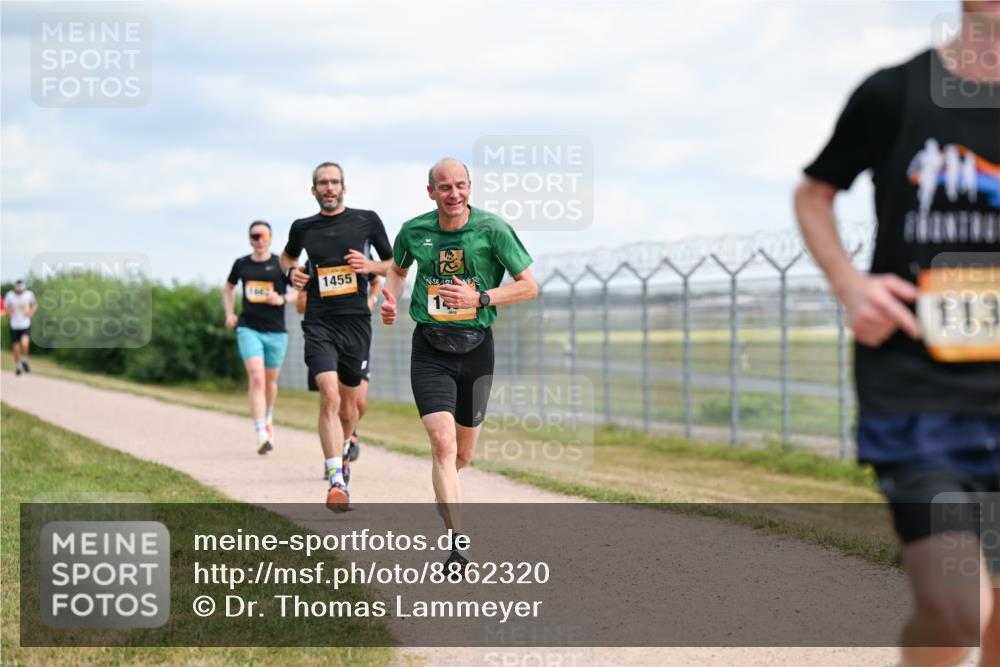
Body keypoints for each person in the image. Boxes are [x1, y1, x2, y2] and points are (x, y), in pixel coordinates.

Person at [794, 5, 999, 665]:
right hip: (919, 395)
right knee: (959, 607)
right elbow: (814, 193)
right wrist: (851, 286)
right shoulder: (894, 93)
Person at [381, 158, 537, 572]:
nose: (454, 194)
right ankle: (457, 545)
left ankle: (445, 491)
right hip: (429, 348)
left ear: (470, 188)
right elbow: (396, 271)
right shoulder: (414, 230)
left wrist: (480, 298)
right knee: (442, 444)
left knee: (463, 453)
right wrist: (390, 297)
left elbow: (528, 287)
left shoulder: (492, 230)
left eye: (460, 186)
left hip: (476, 348)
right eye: (445, 187)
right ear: (430, 192)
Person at [281, 162, 392, 512]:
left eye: (334, 182)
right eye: (322, 183)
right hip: (318, 321)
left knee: (350, 403)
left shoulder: (367, 220)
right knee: (328, 393)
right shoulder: (303, 227)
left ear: (344, 187)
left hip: (356, 322)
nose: (329, 188)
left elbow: (393, 263)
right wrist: (292, 276)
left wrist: (370, 267)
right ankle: (336, 480)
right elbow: (287, 259)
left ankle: (344, 449)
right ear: (313, 190)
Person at [297, 262, 382, 474]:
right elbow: (300, 307)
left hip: (356, 335)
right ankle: (335, 457)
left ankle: (348, 434)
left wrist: (371, 301)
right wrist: (302, 292)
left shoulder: (359, 253)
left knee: (357, 404)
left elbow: (376, 281)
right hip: (325, 335)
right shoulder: (314, 257)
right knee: (330, 397)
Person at [224, 221, 292, 455]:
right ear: (250, 239)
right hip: (248, 328)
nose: (259, 240)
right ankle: (261, 432)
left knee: (271, 383)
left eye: (263, 235)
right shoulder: (241, 264)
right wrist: (230, 313)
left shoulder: (280, 265)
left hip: (276, 332)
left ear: (271, 238)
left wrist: (282, 299)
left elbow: (301, 291)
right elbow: (228, 287)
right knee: (257, 379)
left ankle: (269, 413)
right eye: (255, 236)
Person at [4, 279, 37, 376]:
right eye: (19, 290)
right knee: (16, 345)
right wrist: (10, 310)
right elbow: (5, 308)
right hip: (14, 324)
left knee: (24, 343)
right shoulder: (10, 295)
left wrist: (31, 312)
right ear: (16, 288)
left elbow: (34, 305)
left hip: (25, 323)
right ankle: (18, 365)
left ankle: (24, 360)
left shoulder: (29, 294)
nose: (20, 291)